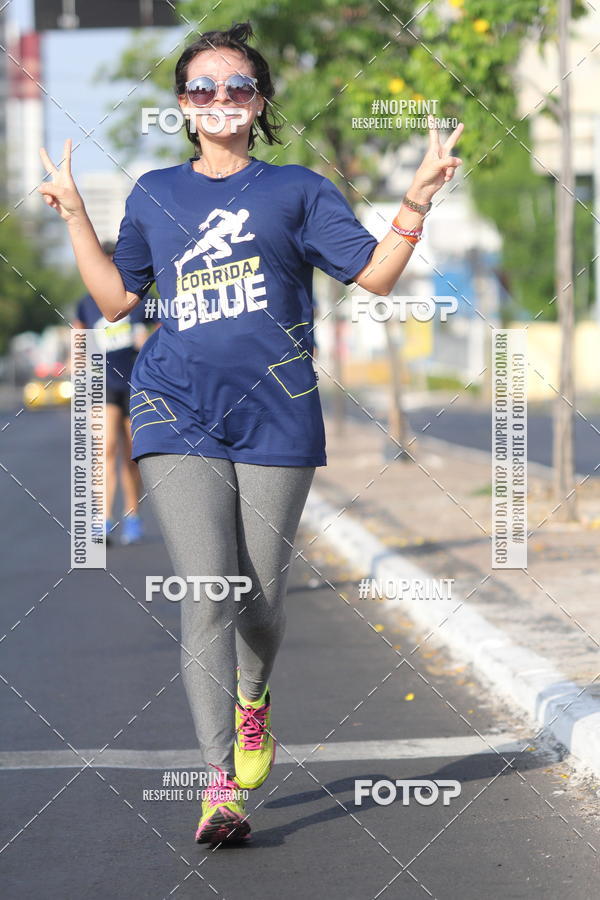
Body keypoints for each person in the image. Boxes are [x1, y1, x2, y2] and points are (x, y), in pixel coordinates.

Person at [38, 20, 463, 844]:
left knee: (259, 601)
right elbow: (118, 300)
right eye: (203, 87)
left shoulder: (297, 190)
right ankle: (219, 786)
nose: (221, 98)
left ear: (260, 102)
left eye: (238, 86)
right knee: (207, 593)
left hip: (277, 412)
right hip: (173, 407)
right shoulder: (154, 192)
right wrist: (76, 215)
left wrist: (415, 199)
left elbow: (376, 276)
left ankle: (254, 696)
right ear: (183, 105)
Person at [72, 241, 156, 545]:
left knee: (132, 455)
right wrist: (78, 365)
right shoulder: (86, 303)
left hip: (136, 383)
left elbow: (168, 326)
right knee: (104, 449)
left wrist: (149, 339)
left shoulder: (138, 298)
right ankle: (102, 520)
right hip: (102, 384)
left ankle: (132, 516)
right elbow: (79, 334)